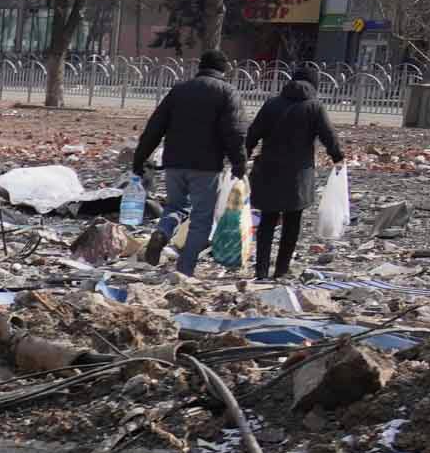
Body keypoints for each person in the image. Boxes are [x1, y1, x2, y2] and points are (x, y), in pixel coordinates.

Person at [129, 49, 248, 276]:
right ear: (224, 69)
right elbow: (234, 132)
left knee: (175, 206)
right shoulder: (227, 92)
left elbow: (155, 127)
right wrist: (239, 163)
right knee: (201, 218)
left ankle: (163, 232)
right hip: (206, 166)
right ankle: (185, 269)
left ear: (200, 66)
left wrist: (140, 158)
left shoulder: (179, 90)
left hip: (174, 162)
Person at [245, 75, 345, 280]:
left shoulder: (271, 104)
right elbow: (328, 135)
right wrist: (337, 157)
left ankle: (261, 270)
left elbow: (253, 133)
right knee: (292, 222)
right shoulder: (314, 107)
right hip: (298, 174)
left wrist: (242, 158)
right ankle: (281, 269)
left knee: (267, 222)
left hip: (269, 170)